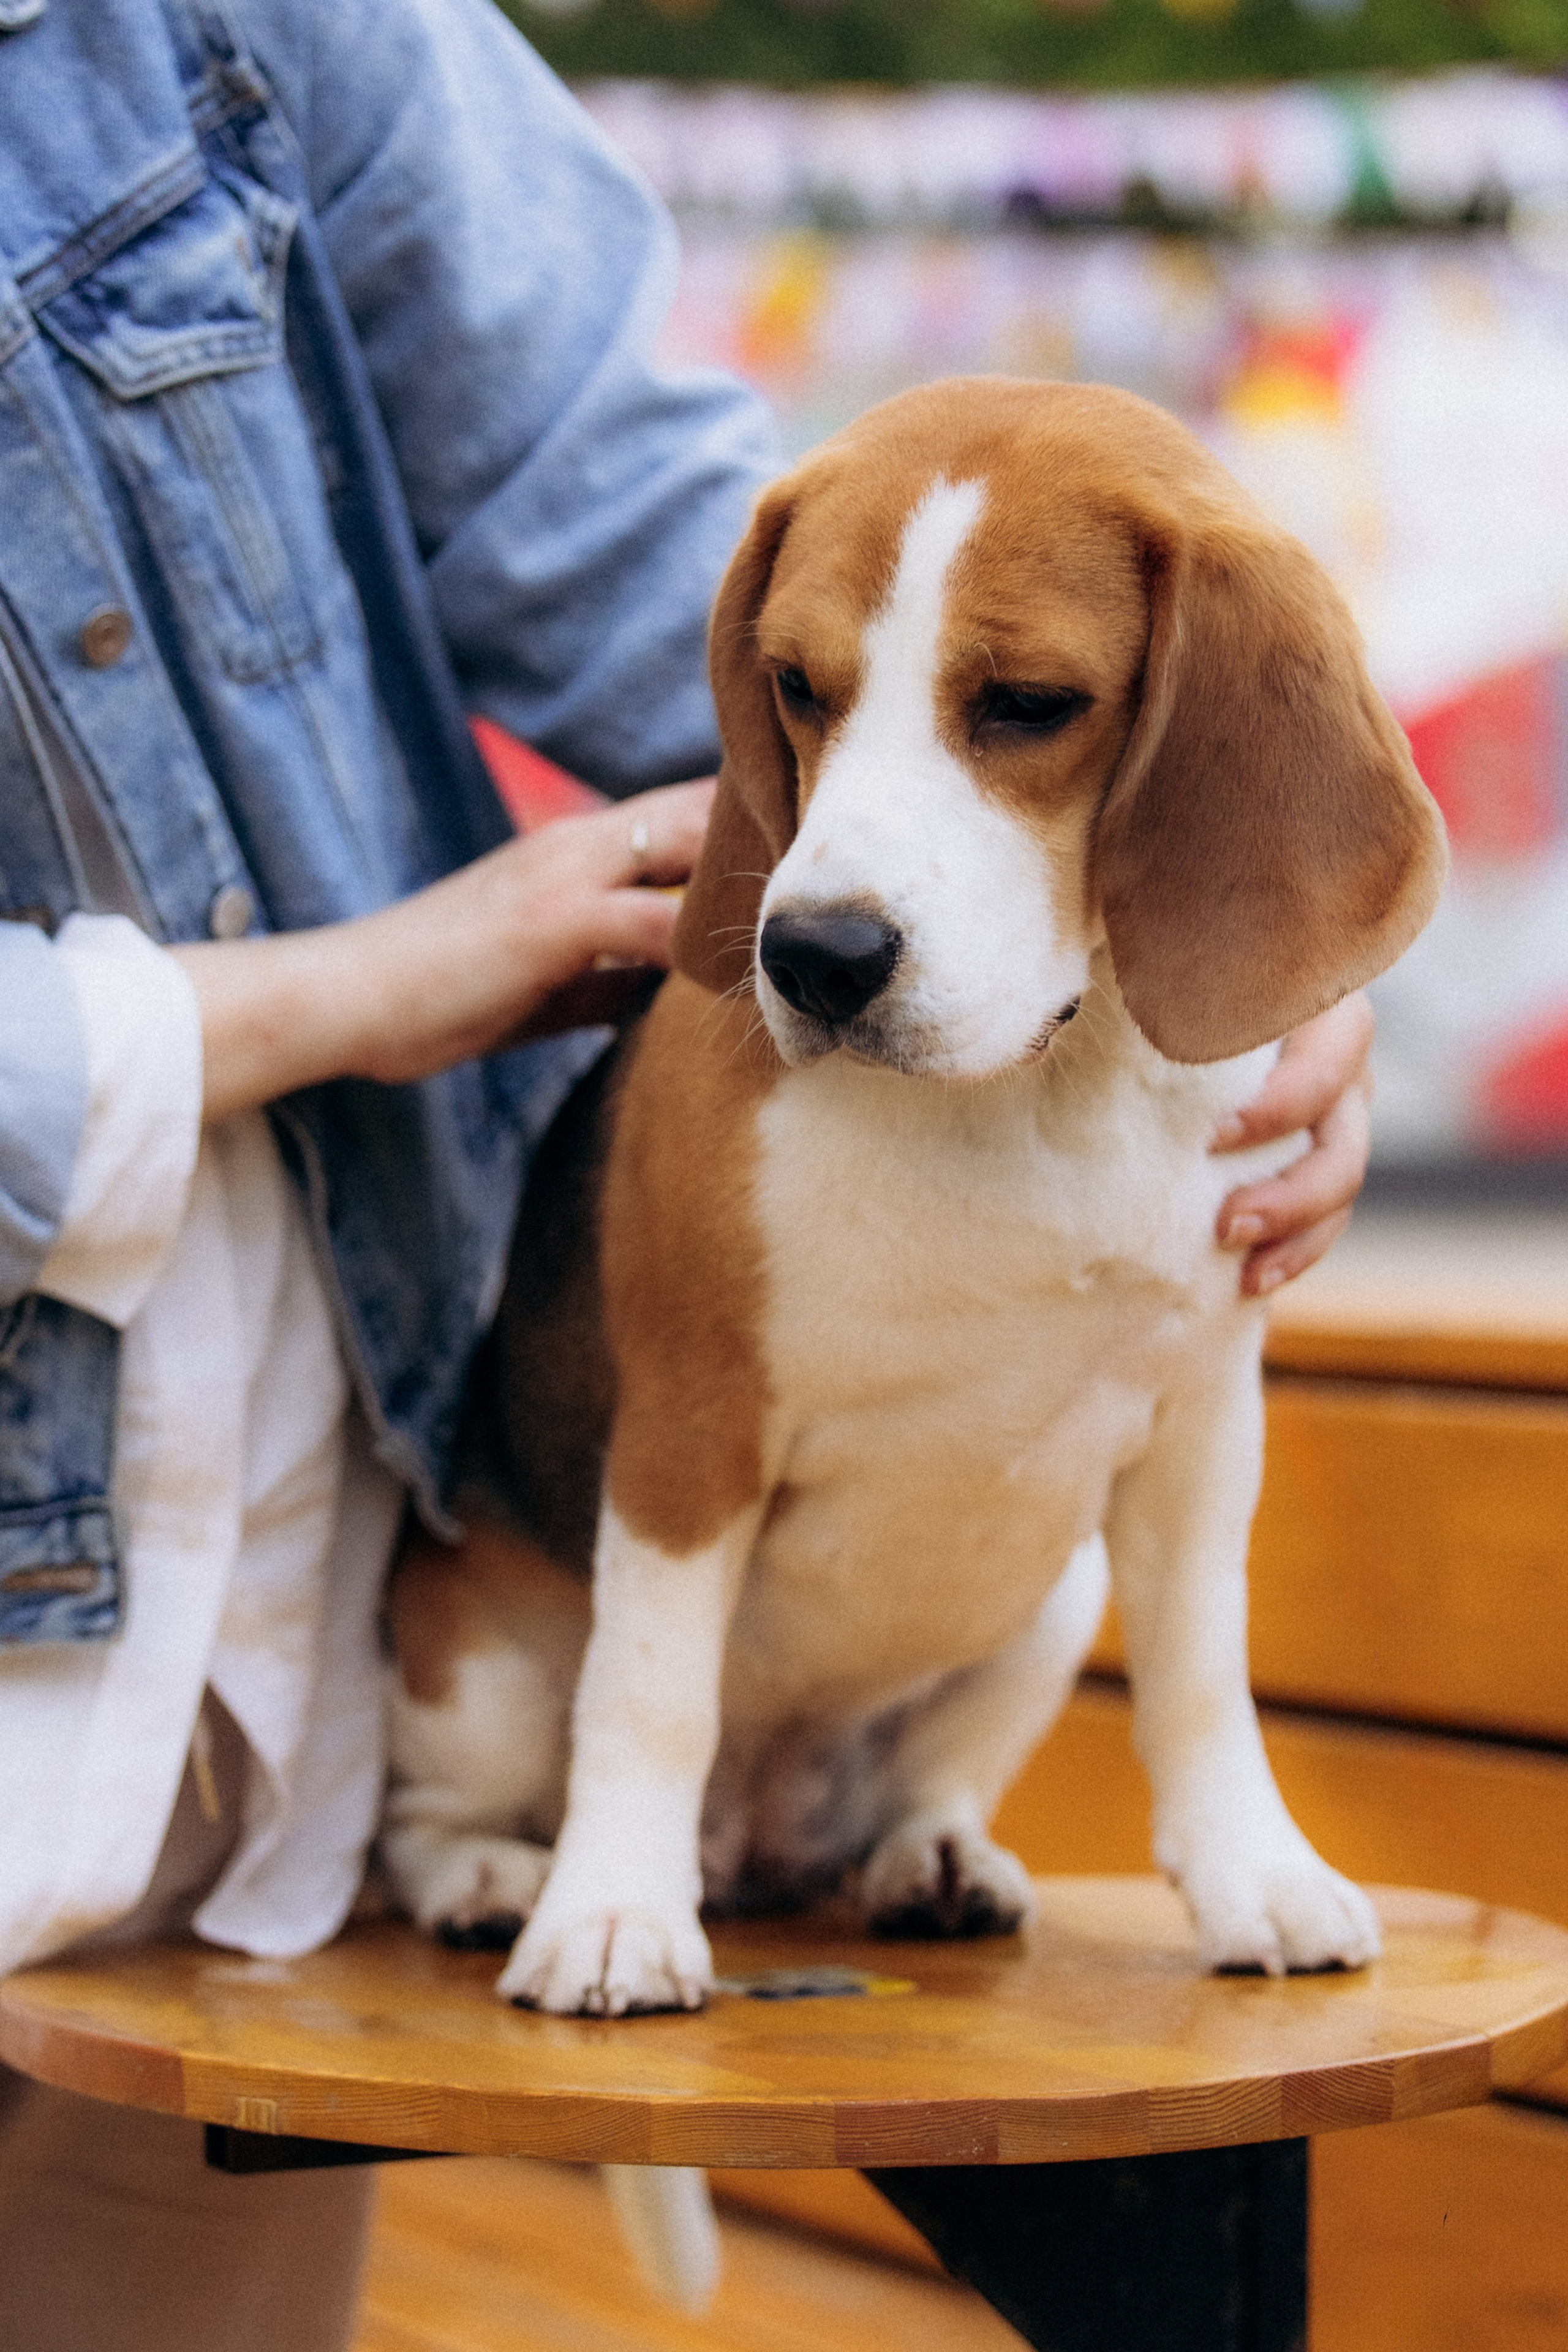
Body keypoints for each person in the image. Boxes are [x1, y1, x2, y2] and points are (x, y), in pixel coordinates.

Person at [0, 3, 1374, 2347]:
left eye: (1019, 709)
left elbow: (691, 535)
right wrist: (354, 988)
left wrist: (1254, 922)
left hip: (278, 1635)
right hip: (418, 1677)